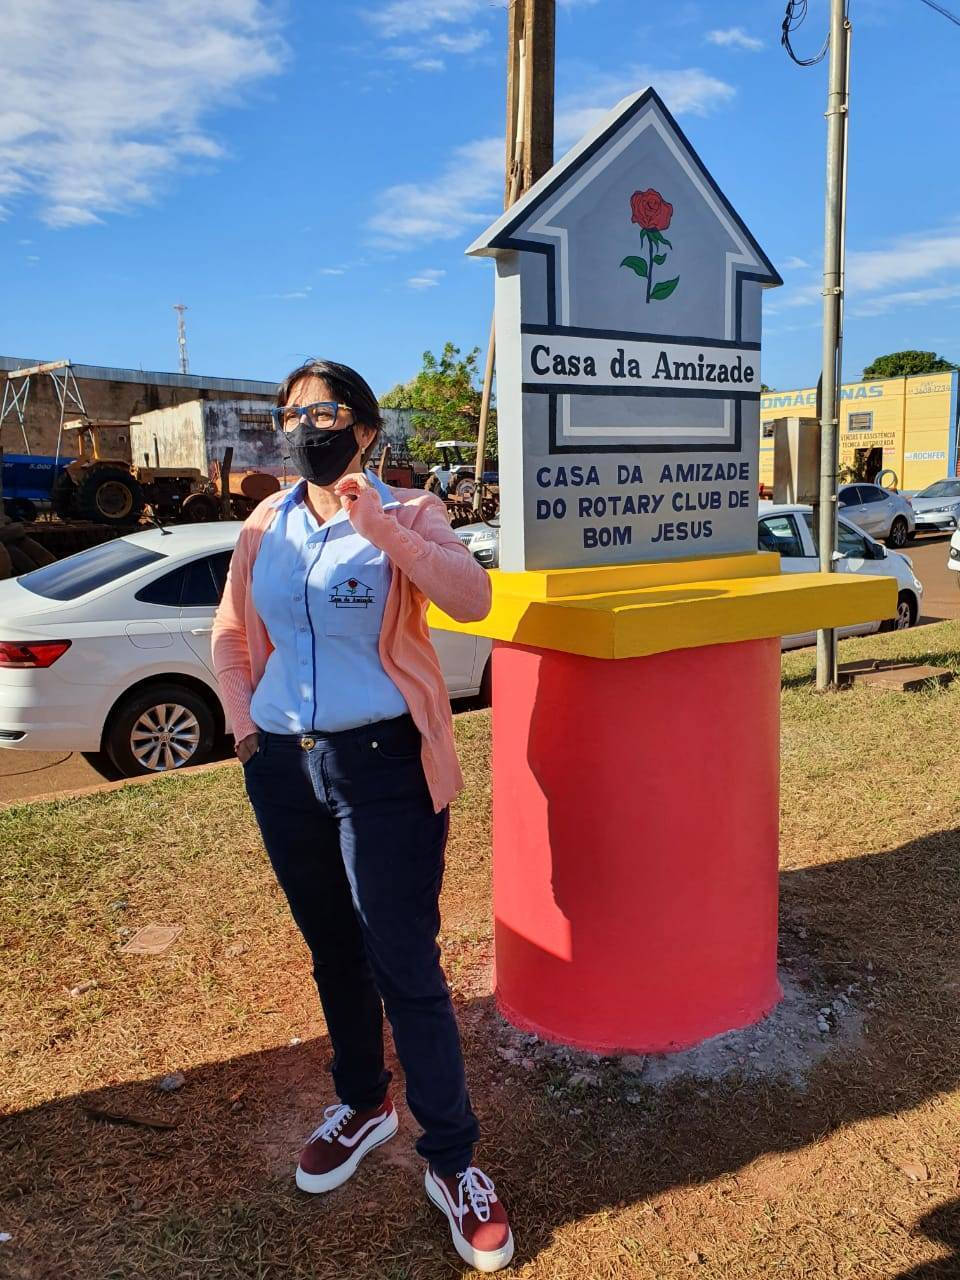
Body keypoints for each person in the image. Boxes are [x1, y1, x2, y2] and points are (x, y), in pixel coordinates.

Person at [211, 359, 513, 1273]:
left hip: (383, 766)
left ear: (367, 430)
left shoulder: (412, 513)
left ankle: (453, 1158)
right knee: (332, 950)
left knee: (404, 961)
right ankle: (364, 1102)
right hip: (285, 769)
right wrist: (241, 720)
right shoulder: (265, 521)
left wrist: (376, 525)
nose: (307, 425)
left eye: (327, 411)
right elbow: (231, 630)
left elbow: (472, 600)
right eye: (292, 412)